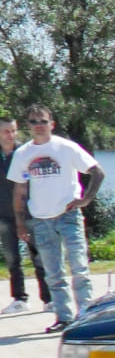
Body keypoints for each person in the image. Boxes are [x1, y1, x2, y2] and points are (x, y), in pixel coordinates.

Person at [7, 105, 104, 333]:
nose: (38, 125)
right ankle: (64, 317)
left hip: (67, 215)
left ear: (52, 124)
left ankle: (86, 315)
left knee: (79, 267)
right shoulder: (23, 154)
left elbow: (97, 171)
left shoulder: (66, 147)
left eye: (42, 121)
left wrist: (86, 199)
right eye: (33, 121)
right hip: (41, 219)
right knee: (53, 272)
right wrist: (20, 223)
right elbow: (20, 190)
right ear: (28, 126)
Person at [0, 116, 52, 315]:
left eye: (13, 131)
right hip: (4, 215)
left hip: (30, 212)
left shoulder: (25, 153)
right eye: (6, 131)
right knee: (12, 259)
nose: (11, 135)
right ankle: (20, 299)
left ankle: (49, 299)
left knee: (39, 257)